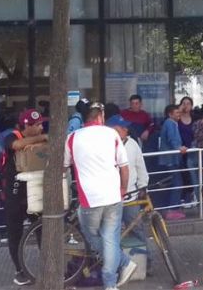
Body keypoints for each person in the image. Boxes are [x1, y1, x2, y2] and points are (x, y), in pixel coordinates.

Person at [66, 104, 138, 290]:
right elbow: (124, 167)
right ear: (100, 117)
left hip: (89, 199)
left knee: (92, 234)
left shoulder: (72, 138)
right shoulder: (112, 134)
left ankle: (123, 264)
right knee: (110, 238)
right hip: (113, 196)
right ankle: (113, 280)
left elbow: (63, 166)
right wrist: (123, 189)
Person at [2, 109, 48, 286]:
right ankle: (20, 271)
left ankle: (47, 266)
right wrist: (41, 138)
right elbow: (16, 145)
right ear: (27, 126)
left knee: (43, 229)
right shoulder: (11, 136)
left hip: (35, 192)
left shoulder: (42, 138)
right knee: (15, 234)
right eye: (37, 125)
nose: (41, 128)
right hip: (14, 195)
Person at [107, 114, 151, 273]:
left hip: (131, 195)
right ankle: (115, 265)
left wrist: (143, 186)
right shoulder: (105, 145)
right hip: (110, 198)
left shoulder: (133, 144)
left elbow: (141, 167)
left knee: (137, 229)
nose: (126, 129)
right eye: (122, 127)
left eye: (125, 127)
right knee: (112, 232)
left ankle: (146, 262)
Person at [158, 104, 187, 220]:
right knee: (177, 183)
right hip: (170, 159)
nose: (179, 115)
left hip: (172, 158)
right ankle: (172, 209)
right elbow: (172, 139)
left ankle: (174, 207)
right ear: (170, 114)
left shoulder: (171, 123)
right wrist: (178, 148)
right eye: (177, 113)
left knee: (176, 182)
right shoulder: (170, 123)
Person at [177, 96, 196, 206]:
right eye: (183, 103)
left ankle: (192, 195)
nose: (186, 106)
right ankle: (184, 197)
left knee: (192, 173)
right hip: (181, 151)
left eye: (188, 103)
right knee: (183, 173)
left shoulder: (195, 118)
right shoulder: (177, 118)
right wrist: (179, 111)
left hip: (192, 150)